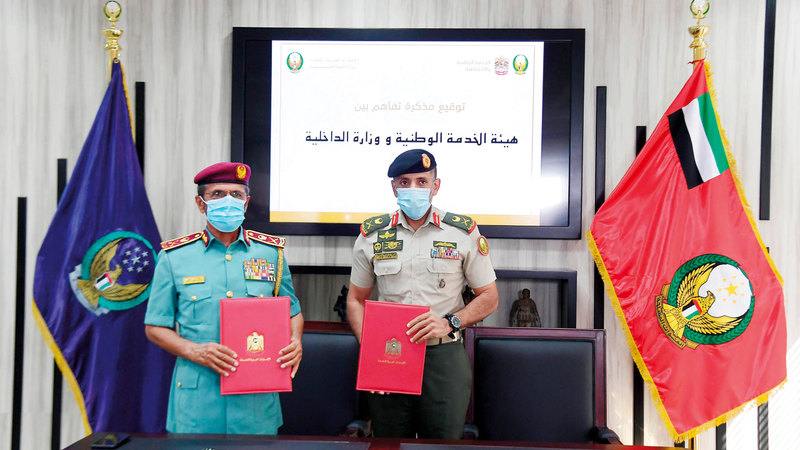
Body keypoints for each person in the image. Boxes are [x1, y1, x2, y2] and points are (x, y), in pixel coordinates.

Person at [347, 149, 499, 439]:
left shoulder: (462, 232)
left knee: (442, 444)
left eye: (422, 181)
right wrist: (371, 353)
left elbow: (489, 296)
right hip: (390, 355)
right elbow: (355, 299)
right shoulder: (372, 235)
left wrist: (450, 322)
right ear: (394, 187)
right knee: (388, 444)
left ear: (435, 186)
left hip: (443, 358)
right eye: (404, 182)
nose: (413, 188)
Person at [144, 162, 304, 434]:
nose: (228, 200)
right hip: (197, 401)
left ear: (246, 202)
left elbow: (293, 312)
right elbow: (155, 327)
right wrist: (194, 350)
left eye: (236, 194)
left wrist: (296, 341)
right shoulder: (174, 257)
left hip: (255, 402)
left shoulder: (271, 254)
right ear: (201, 203)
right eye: (218, 194)